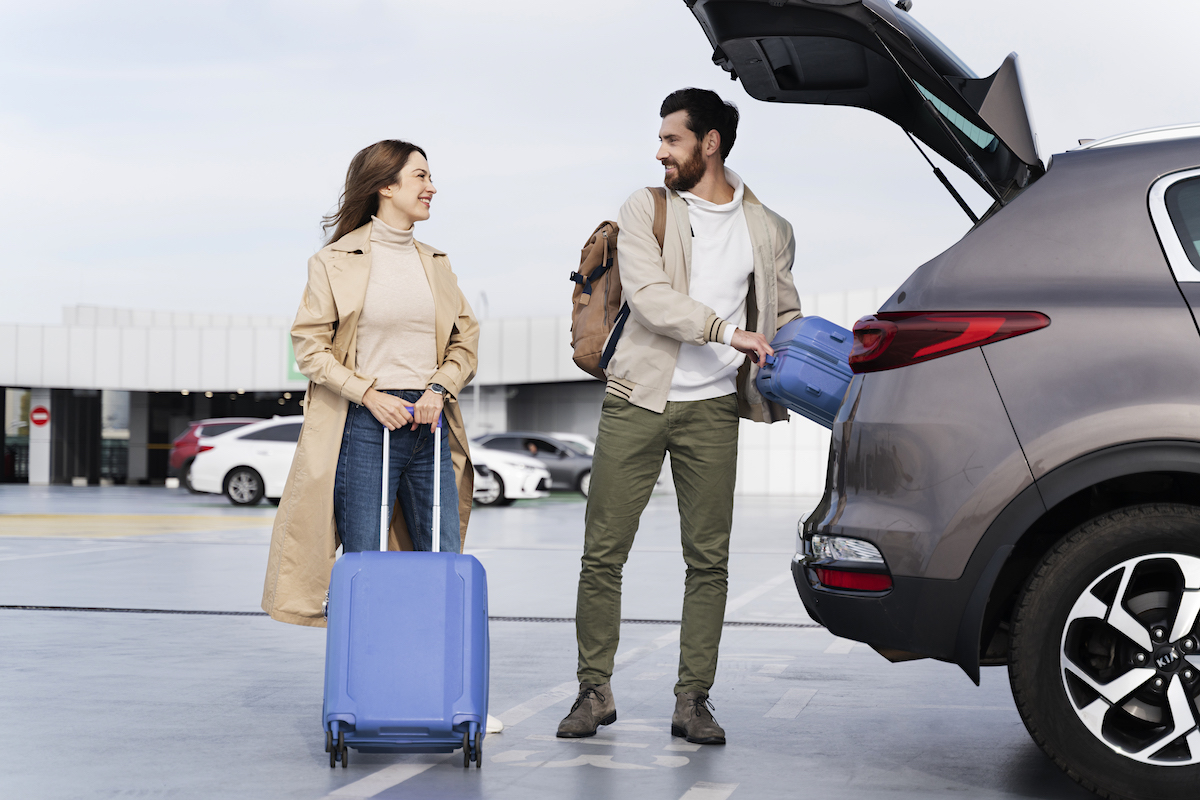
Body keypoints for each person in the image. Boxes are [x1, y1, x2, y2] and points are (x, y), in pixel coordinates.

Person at [557, 89, 802, 744]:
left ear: (710, 143)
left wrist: (831, 360)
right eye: (661, 139)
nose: (660, 150)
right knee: (602, 552)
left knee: (709, 559)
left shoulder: (769, 228)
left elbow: (783, 315)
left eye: (672, 139)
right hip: (637, 395)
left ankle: (693, 699)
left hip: (714, 407)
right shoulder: (647, 207)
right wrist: (728, 330)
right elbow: (652, 297)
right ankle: (593, 690)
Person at [261, 139, 479, 628]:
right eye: (420, 176)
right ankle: (365, 683)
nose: (432, 187)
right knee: (367, 559)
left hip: (431, 420)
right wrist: (369, 396)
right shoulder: (333, 262)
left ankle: (437, 680)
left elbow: (465, 341)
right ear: (386, 185)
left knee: (443, 553)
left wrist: (438, 390)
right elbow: (309, 349)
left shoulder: (437, 263)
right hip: (365, 422)